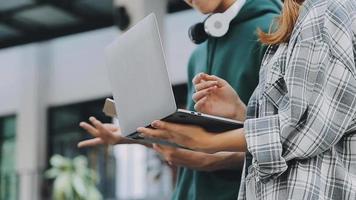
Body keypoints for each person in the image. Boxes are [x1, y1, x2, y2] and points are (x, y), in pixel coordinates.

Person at [138, 0, 356, 199]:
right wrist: (239, 111)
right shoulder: (291, 27)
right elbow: (296, 120)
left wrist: (207, 143)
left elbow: (305, 128)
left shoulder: (327, 11)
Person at [78, 0, 281, 199]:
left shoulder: (273, 31)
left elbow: (286, 141)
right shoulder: (199, 54)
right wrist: (133, 135)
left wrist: (210, 157)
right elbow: (193, 137)